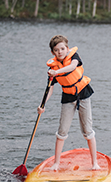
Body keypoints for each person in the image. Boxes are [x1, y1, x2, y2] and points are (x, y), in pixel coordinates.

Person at [37, 35, 100, 171]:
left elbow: (72, 67)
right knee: (62, 131)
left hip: (83, 94)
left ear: (67, 48)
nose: (60, 52)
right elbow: (50, 90)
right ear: (53, 52)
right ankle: (56, 163)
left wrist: (56, 72)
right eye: (56, 50)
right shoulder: (52, 68)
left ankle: (95, 163)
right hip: (68, 98)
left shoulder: (74, 57)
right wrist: (43, 105)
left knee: (87, 131)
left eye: (62, 48)